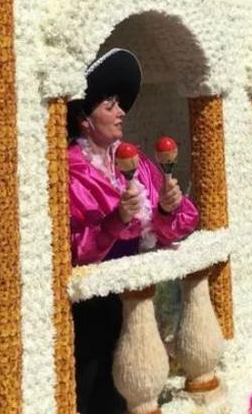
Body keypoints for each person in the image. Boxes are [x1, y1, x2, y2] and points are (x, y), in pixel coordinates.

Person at [66, 49, 199, 414]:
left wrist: (167, 209)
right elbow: (70, 250)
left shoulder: (136, 163)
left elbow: (180, 225)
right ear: (84, 119)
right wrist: (115, 221)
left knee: (143, 382)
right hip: (97, 308)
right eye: (110, 105)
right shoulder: (70, 170)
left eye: (120, 104)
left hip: (140, 295)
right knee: (102, 389)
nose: (122, 112)